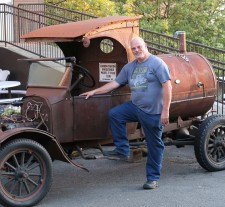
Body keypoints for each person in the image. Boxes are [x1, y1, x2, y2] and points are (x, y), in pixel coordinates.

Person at [80, 37, 172, 190]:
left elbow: (167, 86)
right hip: (135, 107)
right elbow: (114, 83)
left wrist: (165, 111)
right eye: (133, 48)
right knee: (115, 114)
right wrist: (94, 91)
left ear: (145, 46)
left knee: (154, 145)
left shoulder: (157, 64)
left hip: (153, 112)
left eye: (139, 47)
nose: (136, 50)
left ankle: (152, 178)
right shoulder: (130, 67)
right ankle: (122, 149)